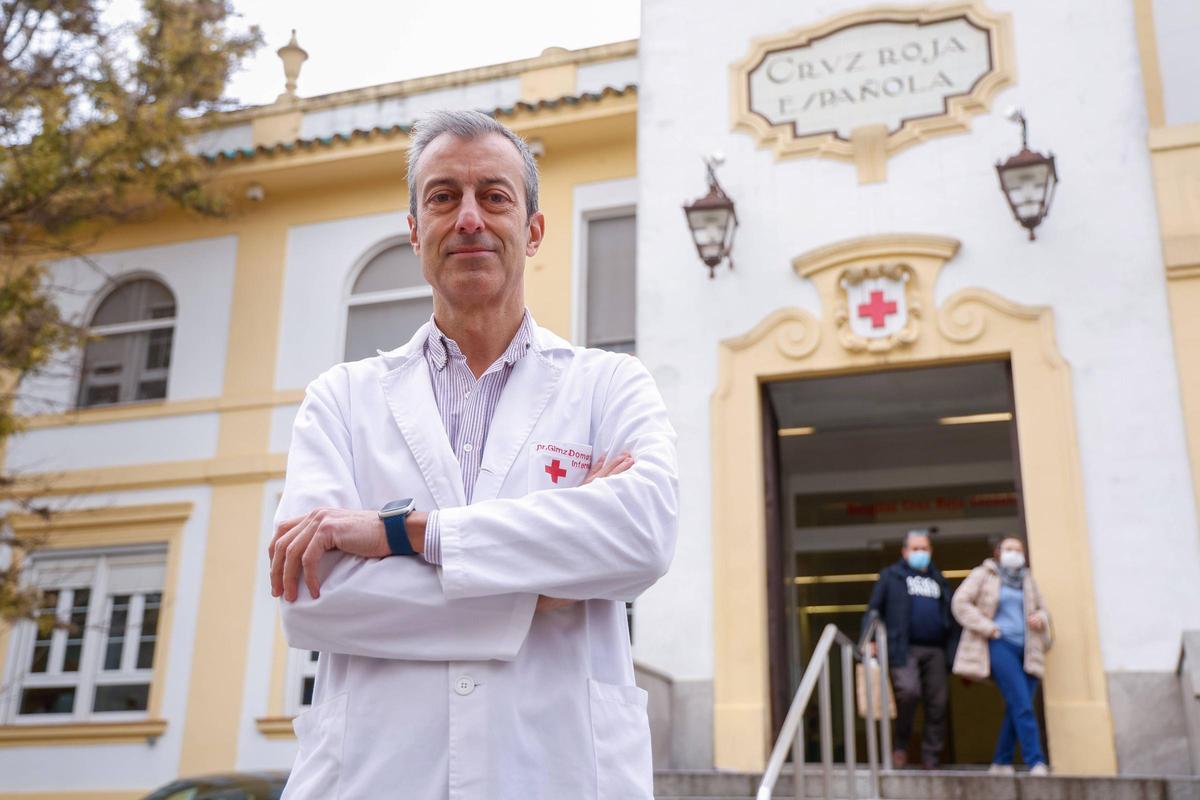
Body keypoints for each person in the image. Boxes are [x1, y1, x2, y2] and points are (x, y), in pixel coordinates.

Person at [267, 110, 678, 800]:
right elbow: (311, 599)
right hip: (376, 777)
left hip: (558, 773)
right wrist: (543, 583)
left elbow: (642, 537)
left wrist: (399, 534)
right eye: (442, 197)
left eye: (494, 195)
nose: (468, 219)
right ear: (415, 231)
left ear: (534, 229)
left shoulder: (609, 385)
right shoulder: (340, 400)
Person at [951, 536, 1051, 776]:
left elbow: (1043, 610)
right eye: (1009, 549)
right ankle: (1035, 761)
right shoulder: (984, 574)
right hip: (1000, 645)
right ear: (998, 552)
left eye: (1018, 549)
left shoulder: (1028, 580)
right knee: (1023, 705)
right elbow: (960, 602)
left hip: (1028, 651)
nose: (1014, 553)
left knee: (1017, 706)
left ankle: (1001, 762)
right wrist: (989, 628)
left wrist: (1041, 618)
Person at [863, 528, 959, 769]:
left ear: (931, 551)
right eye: (915, 548)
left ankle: (931, 757)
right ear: (905, 551)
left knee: (938, 703)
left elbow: (952, 617)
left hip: (936, 649)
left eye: (924, 548)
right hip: (902, 647)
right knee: (908, 692)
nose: (920, 553)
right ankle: (901, 745)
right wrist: (869, 638)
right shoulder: (891, 576)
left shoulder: (939, 580)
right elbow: (874, 610)